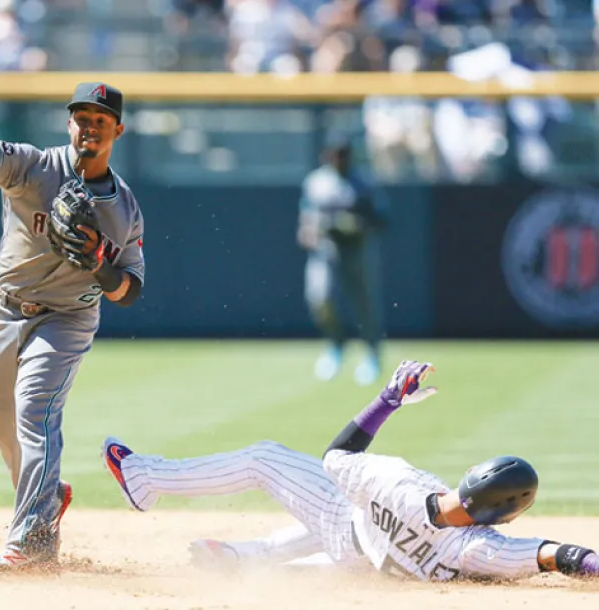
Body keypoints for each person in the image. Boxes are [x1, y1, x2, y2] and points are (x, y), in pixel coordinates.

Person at [103, 360, 599, 581]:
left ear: (472, 478)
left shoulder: (401, 483)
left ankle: (145, 480)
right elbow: (559, 556)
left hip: (354, 527)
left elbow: (336, 457)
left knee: (266, 459)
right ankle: (242, 556)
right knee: (342, 551)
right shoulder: (482, 550)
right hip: (379, 568)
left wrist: (387, 401)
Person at [0, 81, 145, 571]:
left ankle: (32, 540)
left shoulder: (123, 209)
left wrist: (101, 264)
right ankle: (47, 496)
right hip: (6, 307)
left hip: (68, 317)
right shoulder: (38, 166)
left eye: (101, 120)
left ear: (117, 130)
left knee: (34, 409)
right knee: (1, 421)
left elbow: (128, 290)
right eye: (82, 118)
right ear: (69, 123)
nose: (90, 128)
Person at [297, 133, 389, 384]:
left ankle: (372, 354)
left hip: (356, 249)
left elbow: (381, 219)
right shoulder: (316, 182)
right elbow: (306, 220)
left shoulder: (364, 183)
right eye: (335, 154)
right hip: (325, 248)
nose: (340, 159)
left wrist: (357, 225)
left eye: (344, 154)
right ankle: (336, 344)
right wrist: (310, 233)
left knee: (364, 305)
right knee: (319, 298)